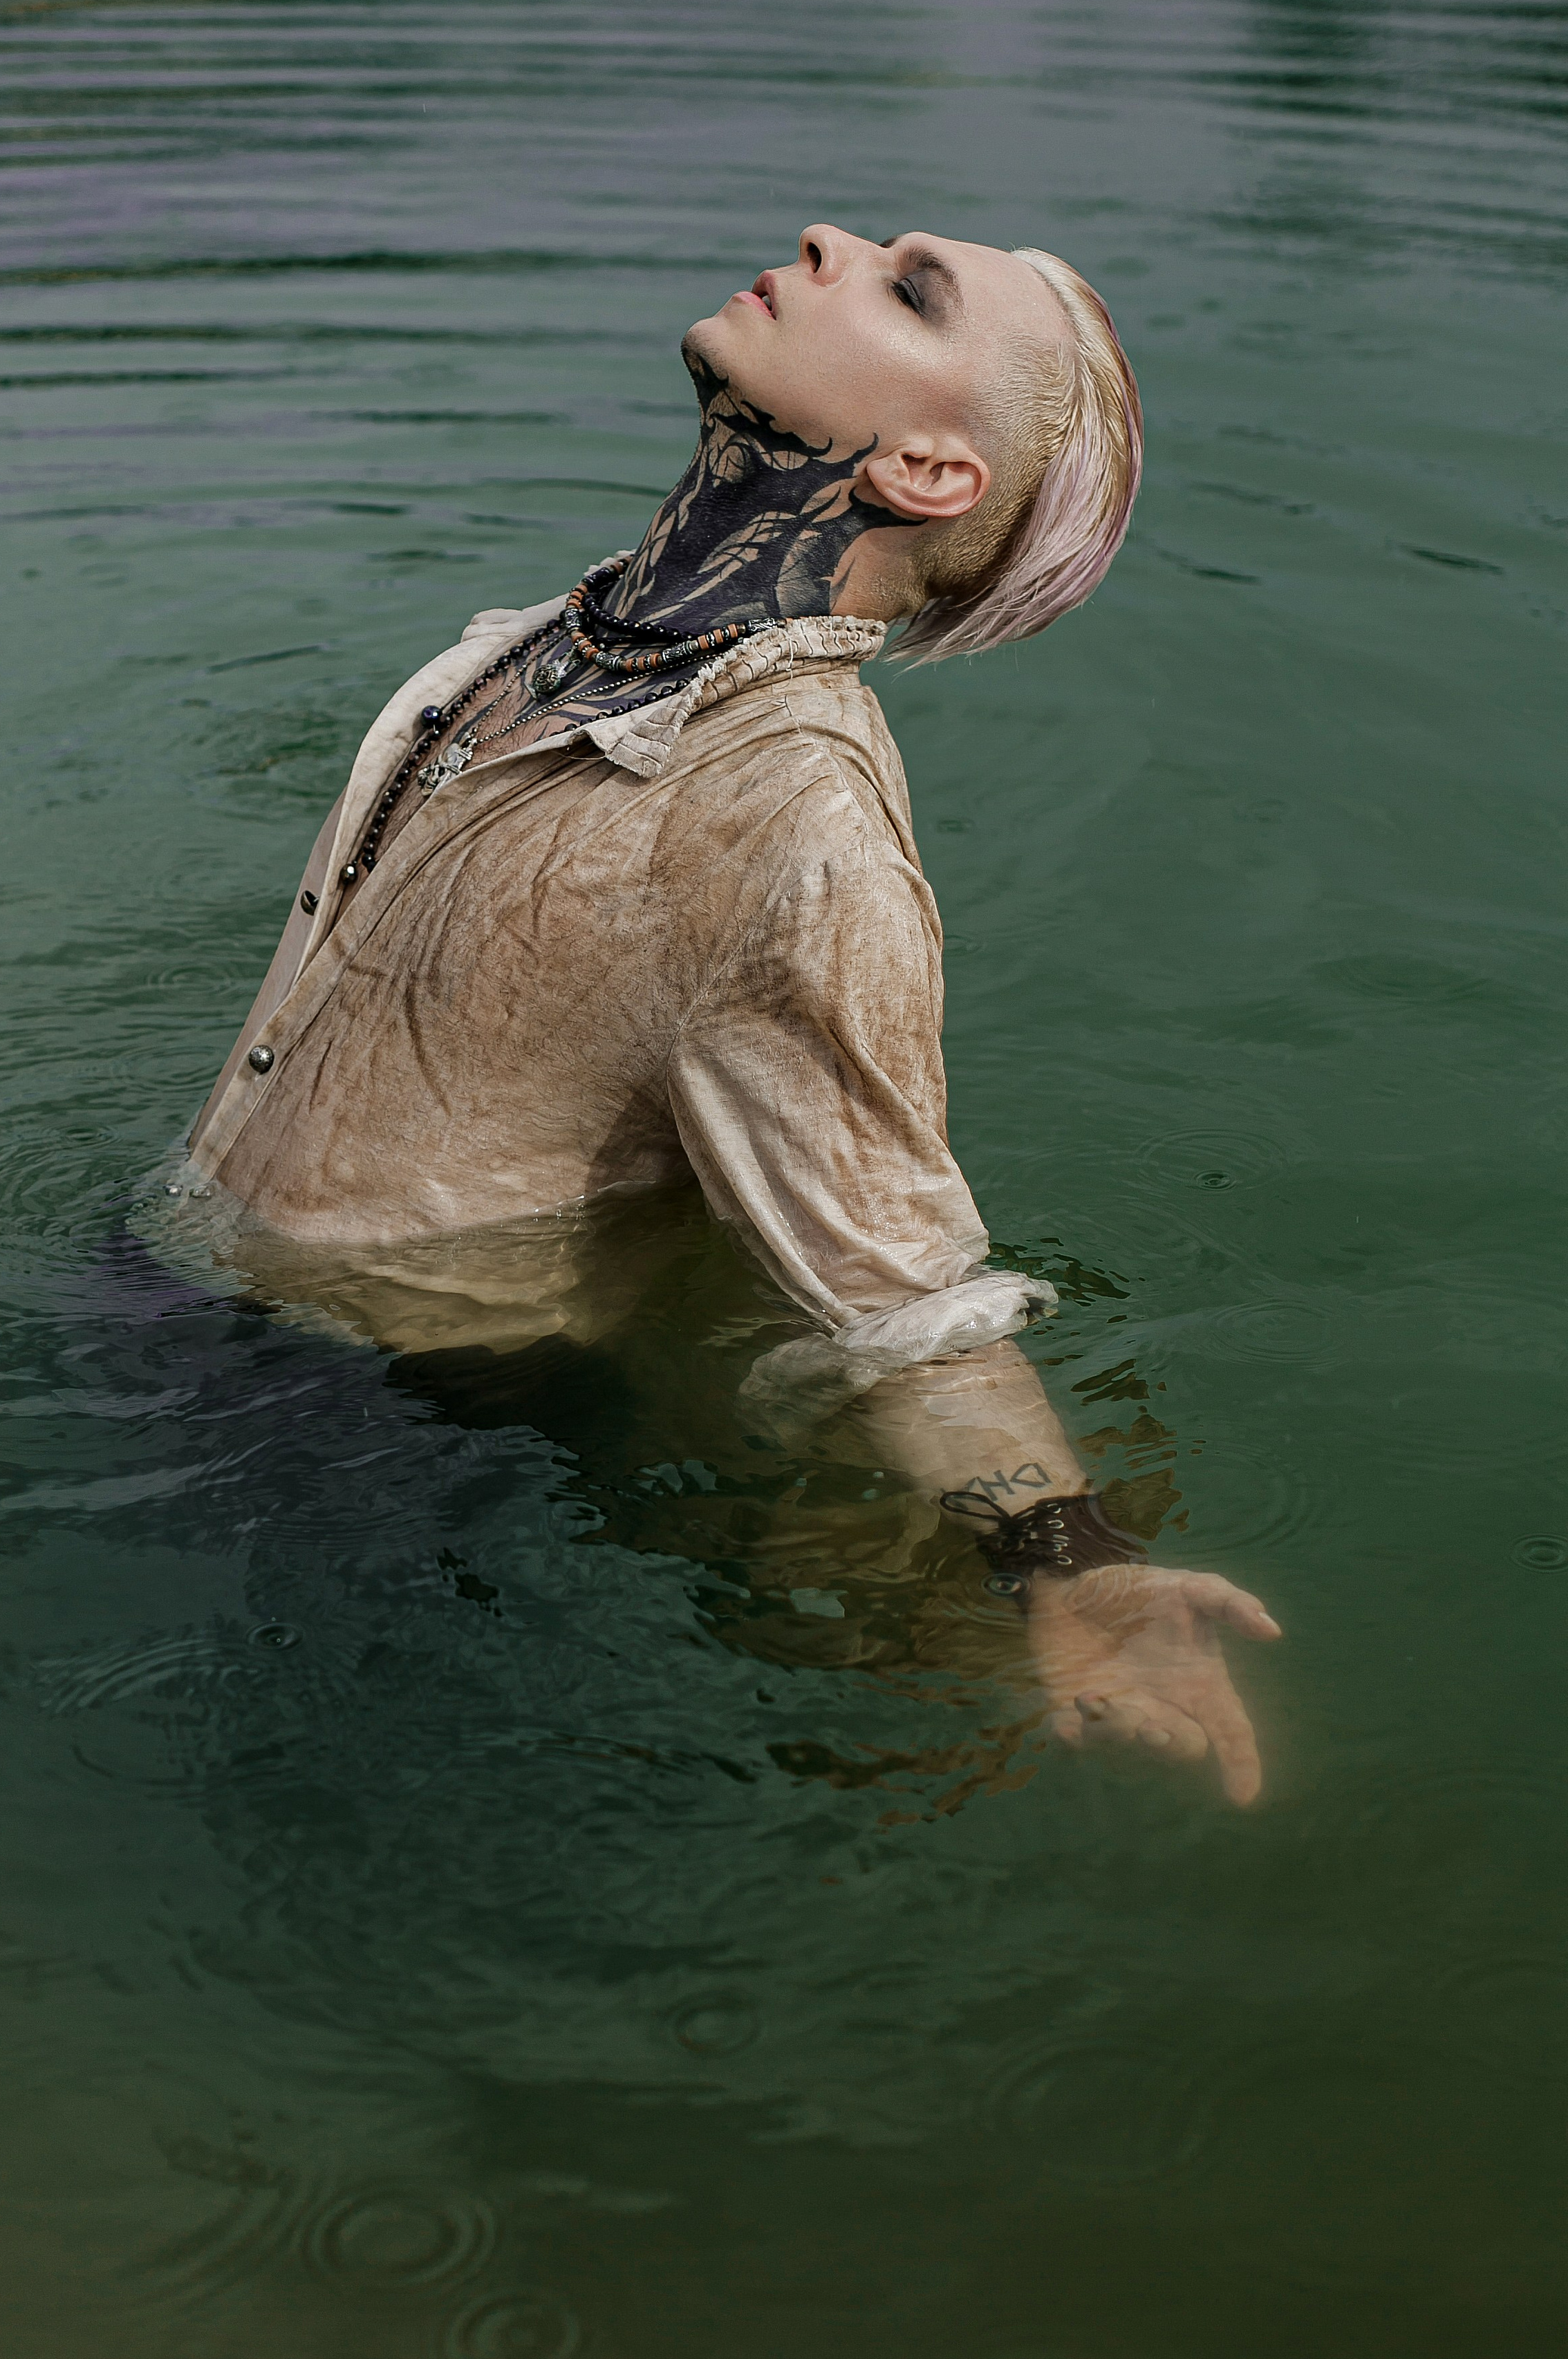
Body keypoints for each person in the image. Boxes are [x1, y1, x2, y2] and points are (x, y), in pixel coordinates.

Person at [178, 223, 1281, 1806]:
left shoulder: (797, 828)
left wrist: (1066, 1565)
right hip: (166, 1294)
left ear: (925, 471)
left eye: (908, 289)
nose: (828, 238)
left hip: (372, 1439)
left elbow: (897, 1284)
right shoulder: (549, 643)